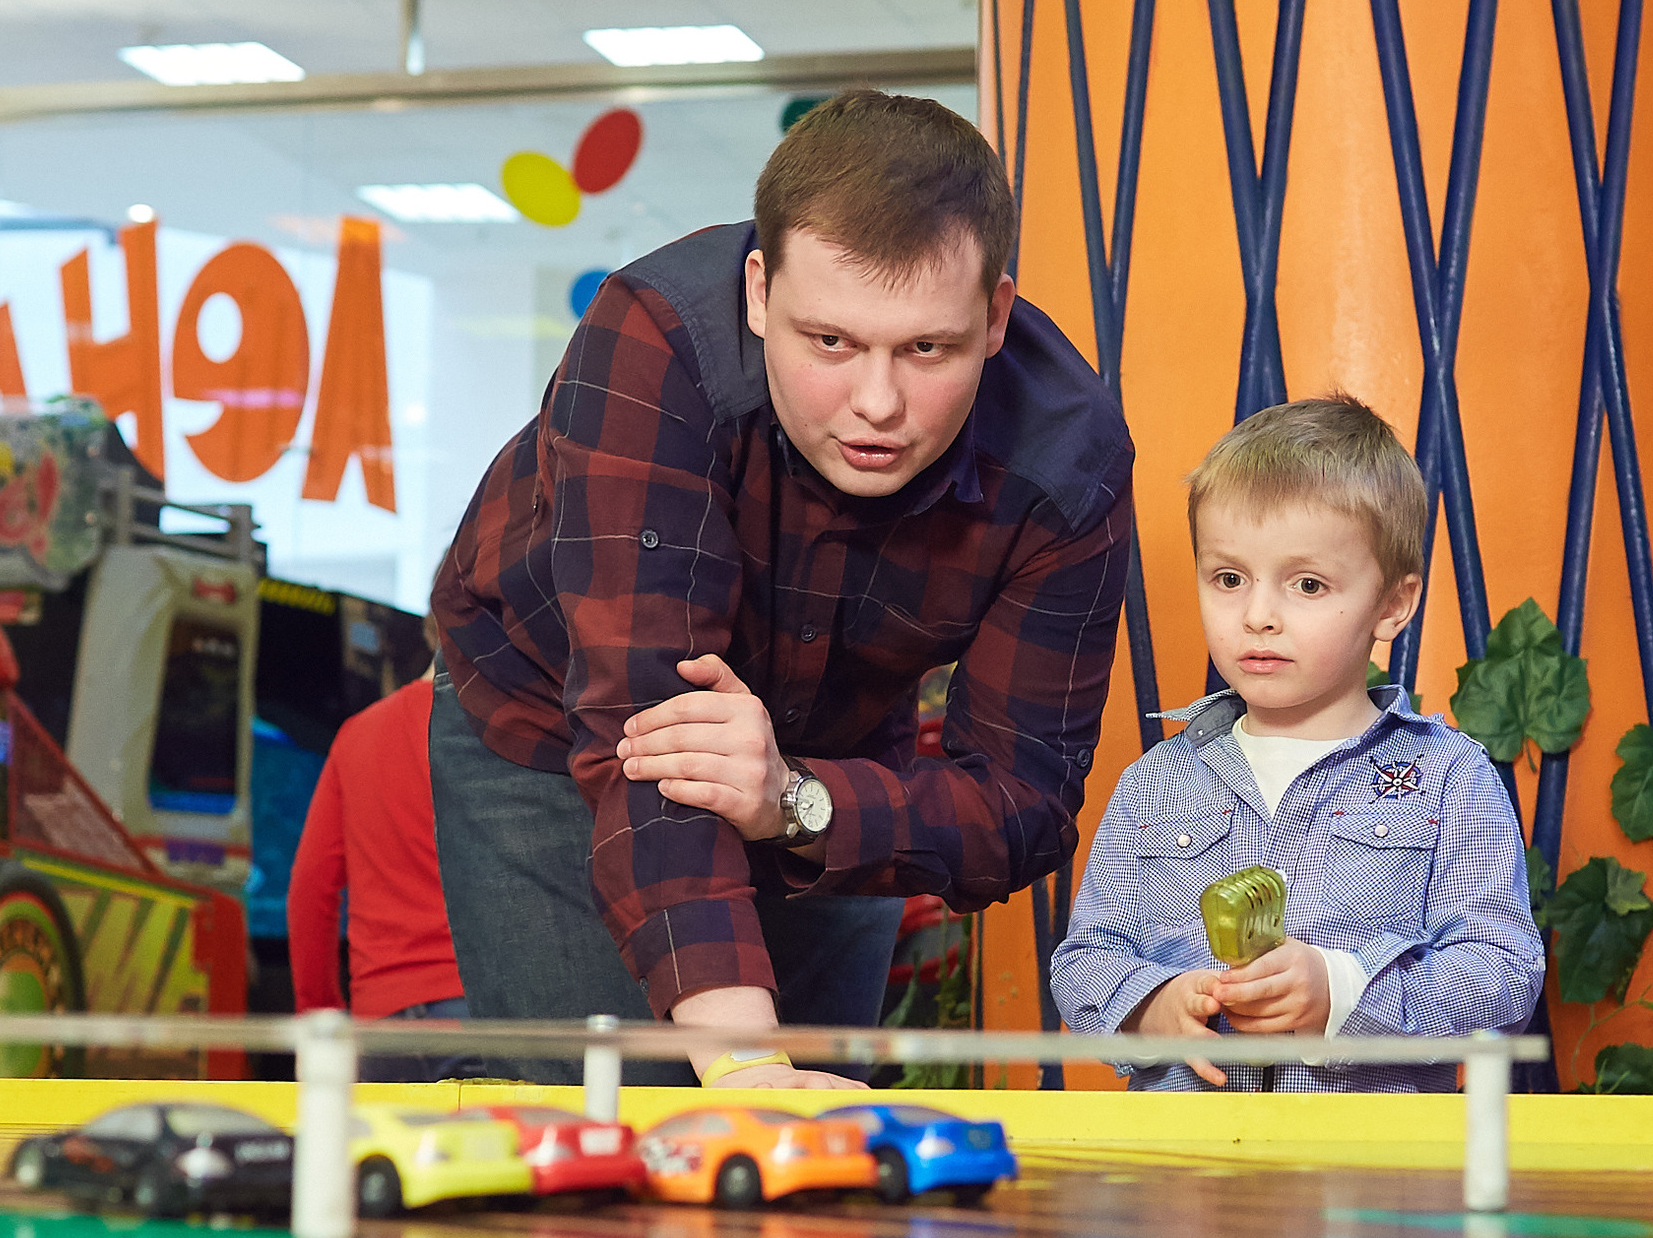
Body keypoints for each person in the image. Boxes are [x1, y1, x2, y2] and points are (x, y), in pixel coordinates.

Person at [427, 87, 1136, 1088]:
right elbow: (650, 731)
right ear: (759, 292)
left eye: (926, 349)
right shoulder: (654, 340)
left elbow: (1023, 807)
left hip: (825, 754)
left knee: (818, 1142)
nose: (877, 404)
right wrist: (747, 1066)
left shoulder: (1067, 461)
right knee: (612, 1123)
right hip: (554, 716)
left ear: (994, 317)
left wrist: (794, 799)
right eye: (831, 342)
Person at [1050, 395, 1544, 1091]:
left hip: (1361, 1154)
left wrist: (1341, 992)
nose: (1258, 615)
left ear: (1392, 605)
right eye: (1229, 579)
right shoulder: (1155, 783)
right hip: (1186, 1154)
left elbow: (1504, 974)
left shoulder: (1448, 777)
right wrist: (1149, 1007)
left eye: (1307, 584)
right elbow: (1083, 960)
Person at [285, 662, 480, 1084]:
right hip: (480, 1013)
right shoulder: (505, 729)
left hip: (380, 1026)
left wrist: (320, 1017)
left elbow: (310, 888)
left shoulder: (358, 734)